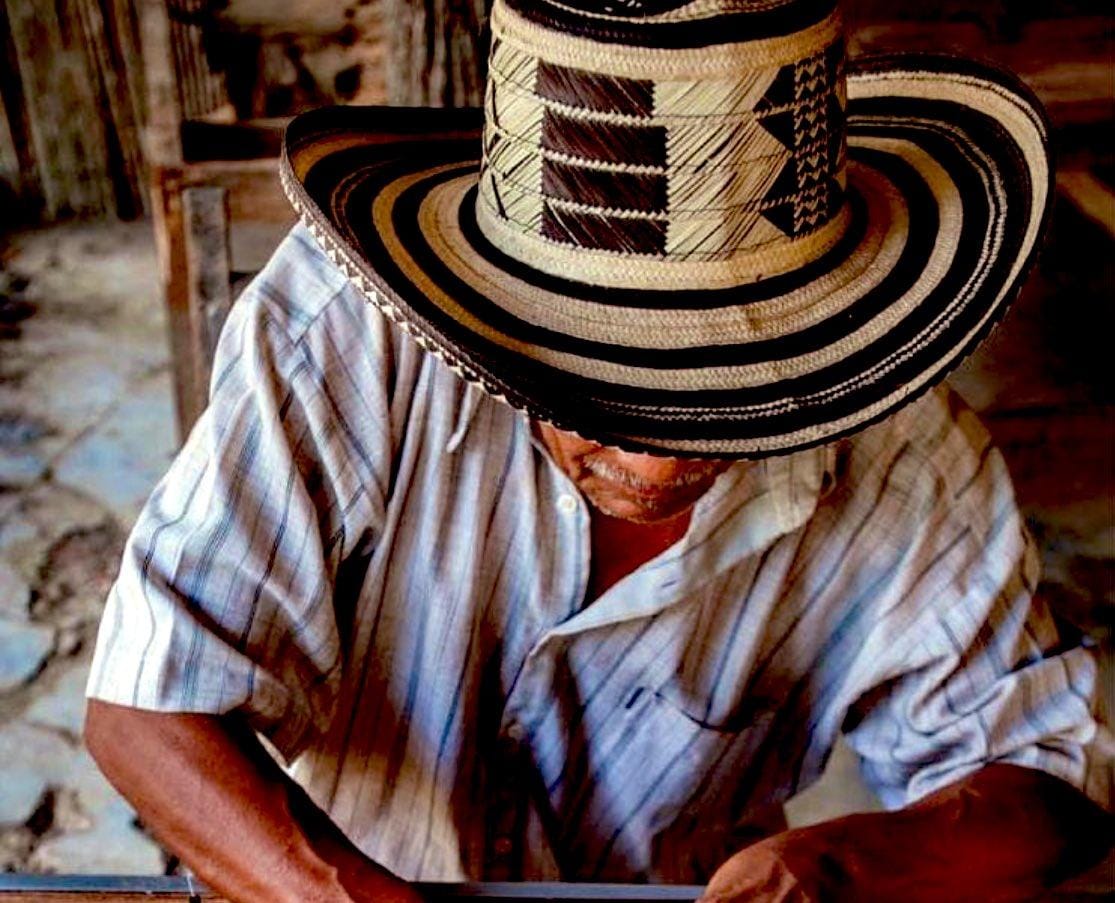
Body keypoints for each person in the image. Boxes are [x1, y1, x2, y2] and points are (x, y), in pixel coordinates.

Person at [84, 0, 1111, 900]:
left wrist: (850, 868)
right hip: (329, 874)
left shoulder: (899, 454)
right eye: (601, 390)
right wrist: (333, 898)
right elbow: (147, 703)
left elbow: (1052, 775)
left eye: (717, 399)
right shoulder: (340, 336)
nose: (657, 466)